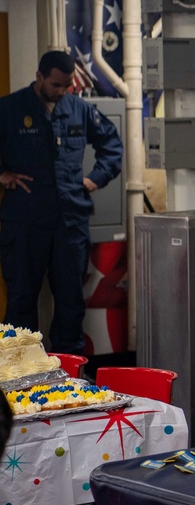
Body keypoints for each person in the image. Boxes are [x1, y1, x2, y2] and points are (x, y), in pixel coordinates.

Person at [0, 51, 123, 355]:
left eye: (67, 86)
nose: (61, 92)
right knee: (21, 300)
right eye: (55, 85)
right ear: (39, 77)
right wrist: (2, 175)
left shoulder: (79, 109)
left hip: (70, 221)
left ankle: (70, 378)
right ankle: (18, 377)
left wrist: (95, 179)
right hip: (26, 220)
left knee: (71, 302)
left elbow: (112, 145)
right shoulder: (10, 109)